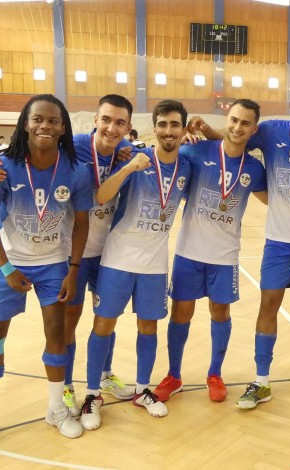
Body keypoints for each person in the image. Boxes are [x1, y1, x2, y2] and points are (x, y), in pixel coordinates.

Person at [0, 96, 137, 416]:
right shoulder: (75, 146)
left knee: (107, 320)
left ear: (128, 128)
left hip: (110, 252)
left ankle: (104, 375)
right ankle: (64, 390)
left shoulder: (129, 153)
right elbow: (25, 148)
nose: (112, 127)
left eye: (120, 122)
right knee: (67, 326)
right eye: (106, 119)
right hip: (67, 254)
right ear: (94, 120)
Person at [0, 94, 92, 452]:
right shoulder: (4, 166)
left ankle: (55, 408)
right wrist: (6, 267)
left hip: (54, 265)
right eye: (38, 119)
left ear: (63, 128)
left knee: (56, 333)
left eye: (53, 121)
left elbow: (81, 222)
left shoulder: (75, 169)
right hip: (9, 263)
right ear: (25, 124)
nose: (45, 126)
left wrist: (73, 269)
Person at [184, 84, 290, 405]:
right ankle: (261, 379)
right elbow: (233, 140)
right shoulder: (268, 131)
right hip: (278, 238)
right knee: (269, 305)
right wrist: (205, 130)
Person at [78, 99, 192, 428]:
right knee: (103, 325)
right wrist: (128, 168)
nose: (168, 131)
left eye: (175, 125)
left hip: (155, 262)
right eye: (163, 124)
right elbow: (101, 196)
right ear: (154, 128)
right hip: (118, 258)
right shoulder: (135, 158)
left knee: (148, 327)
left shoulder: (187, 165)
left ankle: (143, 390)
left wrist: (206, 136)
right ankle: (92, 394)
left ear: (183, 130)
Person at [149, 100, 267, 408]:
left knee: (220, 314)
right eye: (233, 120)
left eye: (245, 123)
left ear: (253, 130)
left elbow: (272, 198)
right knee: (180, 314)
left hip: (225, 256)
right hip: (189, 252)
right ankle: (173, 375)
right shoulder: (196, 152)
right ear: (226, 120)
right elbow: (165, 155)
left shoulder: (254, 169)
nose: (237, 127)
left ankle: (215, 373)